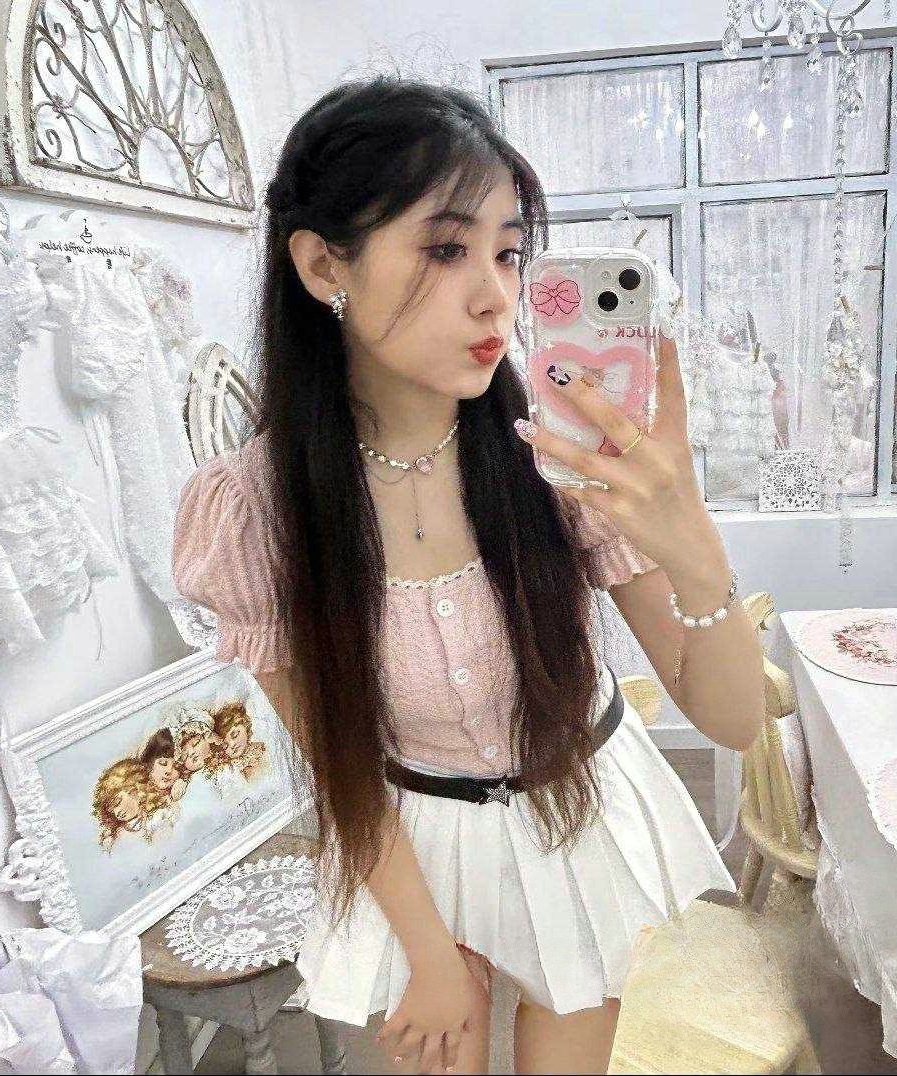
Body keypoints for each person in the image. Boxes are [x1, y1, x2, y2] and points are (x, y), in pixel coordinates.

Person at [171, 77, 764, 1076]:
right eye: (447, 249)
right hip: (412, 839)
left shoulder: (559, 466)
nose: (496, 295)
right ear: (323, 265)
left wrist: (692, 543)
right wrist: (430, 951)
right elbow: (339, 760)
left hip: (577, 808)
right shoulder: (256, 511)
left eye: (508, 253)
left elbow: (736, 721)